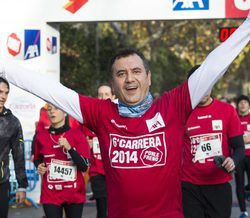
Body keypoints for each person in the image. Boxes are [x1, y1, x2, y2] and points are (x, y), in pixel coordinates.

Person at [0, 15, 249, 217]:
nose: (130, 78)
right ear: (113, 82)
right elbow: (51, 90)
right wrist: (3, 68)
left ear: (148, 78)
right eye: (121, 74)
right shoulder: (101, 113)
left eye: (136, 71)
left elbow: (213, 66)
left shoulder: (173, 105)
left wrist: (247, 26)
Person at [181, 66, 245, 218]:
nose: (203, 89)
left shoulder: (227, 111)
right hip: (189, 187)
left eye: (206, 84)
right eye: (198, 85)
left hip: (219, 186)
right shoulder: (181, 112)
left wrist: (233, 160)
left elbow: (239, 148)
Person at [33, 103, 90, 218]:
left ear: (65, 112)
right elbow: (37, 158)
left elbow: (84, 166)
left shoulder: (77, 135)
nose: (52, 112)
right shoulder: (41, 136)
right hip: (51, 194)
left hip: (74, 194)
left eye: (56, 109)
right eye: (49, 109)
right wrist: (39, 165)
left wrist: (70, 148)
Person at [0, 77, 28, 218]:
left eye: (6, 93)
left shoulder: (12, 122)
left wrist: (22, 184)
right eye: (0, 92)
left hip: (2, 182)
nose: (3, 96)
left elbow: (19, 154)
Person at [87, 85, 115, 218]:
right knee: (102, 210)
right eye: (100, 94)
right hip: (97, 172)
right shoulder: (89, 119)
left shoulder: (120, 118)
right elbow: (78, 143)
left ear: (113, 97)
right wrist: (86, 145)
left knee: (118, 209)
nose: (103, 97)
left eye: (106, 94)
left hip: (116, 172)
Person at [235, 95, 250, 218]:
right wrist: (241, 140)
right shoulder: (234, 118)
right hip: (238, 156)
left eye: (245, 102)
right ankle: (243, 211)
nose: (243, 104)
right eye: (241, 102)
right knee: (239, 183)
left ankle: (247, 190)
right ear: (237, 105)